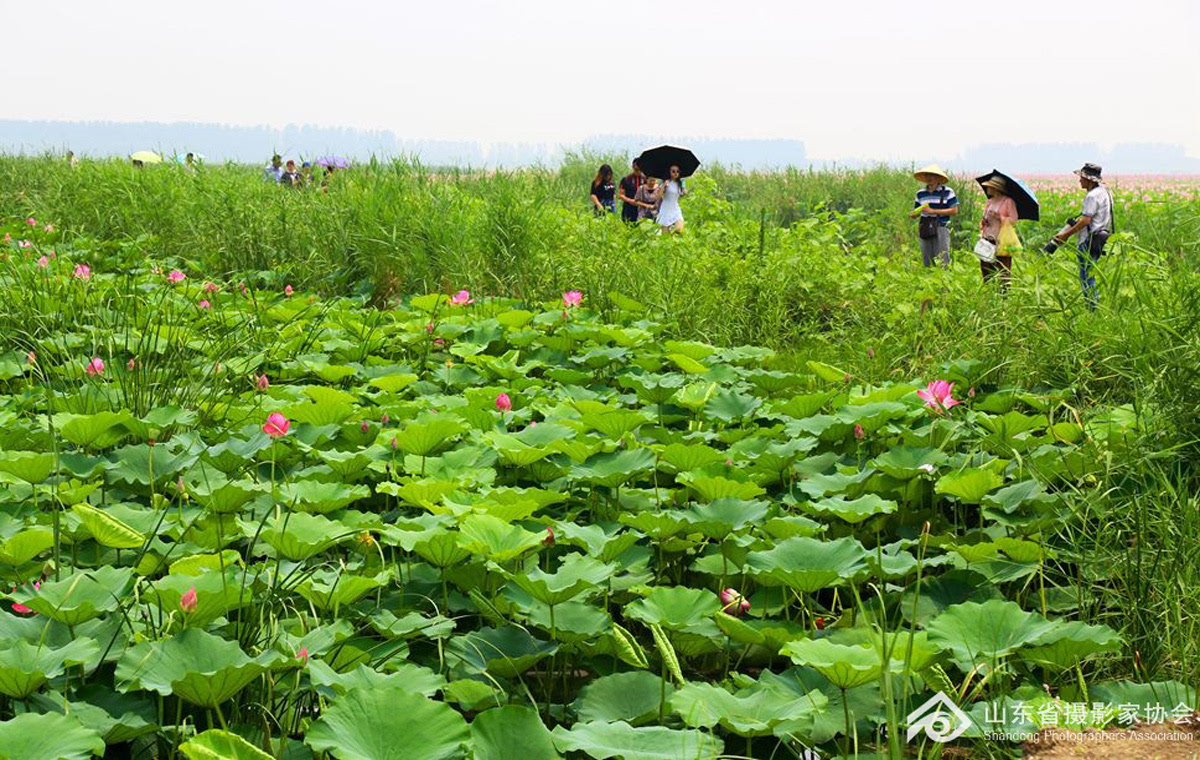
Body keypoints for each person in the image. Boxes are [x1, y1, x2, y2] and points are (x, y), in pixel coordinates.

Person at [1050, 163, 1113, 309]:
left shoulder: (1092, 196)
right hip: (1101, 238)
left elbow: (1086, 220)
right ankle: (1093, 307)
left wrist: (1065, 235)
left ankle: (1092, 309)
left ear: (1089, 180)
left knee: (1086, 277)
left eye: (1081, 178)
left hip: (1088, 240)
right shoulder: (1105, 192)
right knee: (1089, 273)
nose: (1079, 181)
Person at [909, 164, 958, 268]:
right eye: (927, 176)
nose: (930, 178)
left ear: (938, 178)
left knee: (943, 258)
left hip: (941, 227)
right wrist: (914, 214)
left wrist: (933, 211)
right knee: (927, 258)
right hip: (925, 227)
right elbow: (917, 210)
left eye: (933, 176)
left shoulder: (948, 192)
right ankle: (929, 279)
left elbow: (954, 210)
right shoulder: (920, 193)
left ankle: (943, 280)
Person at [978, 175, 1019, 291]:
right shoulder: (989, 201)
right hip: (988, 238)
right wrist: (984, 220)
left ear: (996, 188)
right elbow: (985, 218)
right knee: (986, 269)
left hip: (1002, 241)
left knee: (1003, 271)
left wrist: (999, 217)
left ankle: (1004, 296)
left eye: (989, 187)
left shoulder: (1008, 201)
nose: (987, 189)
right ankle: (988, 293)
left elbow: (1013, 220)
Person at [653, 165, 687, 232]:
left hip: (675, 208)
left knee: (679, 230)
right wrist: (664, 185)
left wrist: (684, 191)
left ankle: (674, 238)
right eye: (673, 171)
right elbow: (658, 196)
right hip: (666, 209)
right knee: (665, 236)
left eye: (677, 171)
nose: (675, 173)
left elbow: (679, 196)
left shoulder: (680, 183)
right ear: (669, 172)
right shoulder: (666, 182)